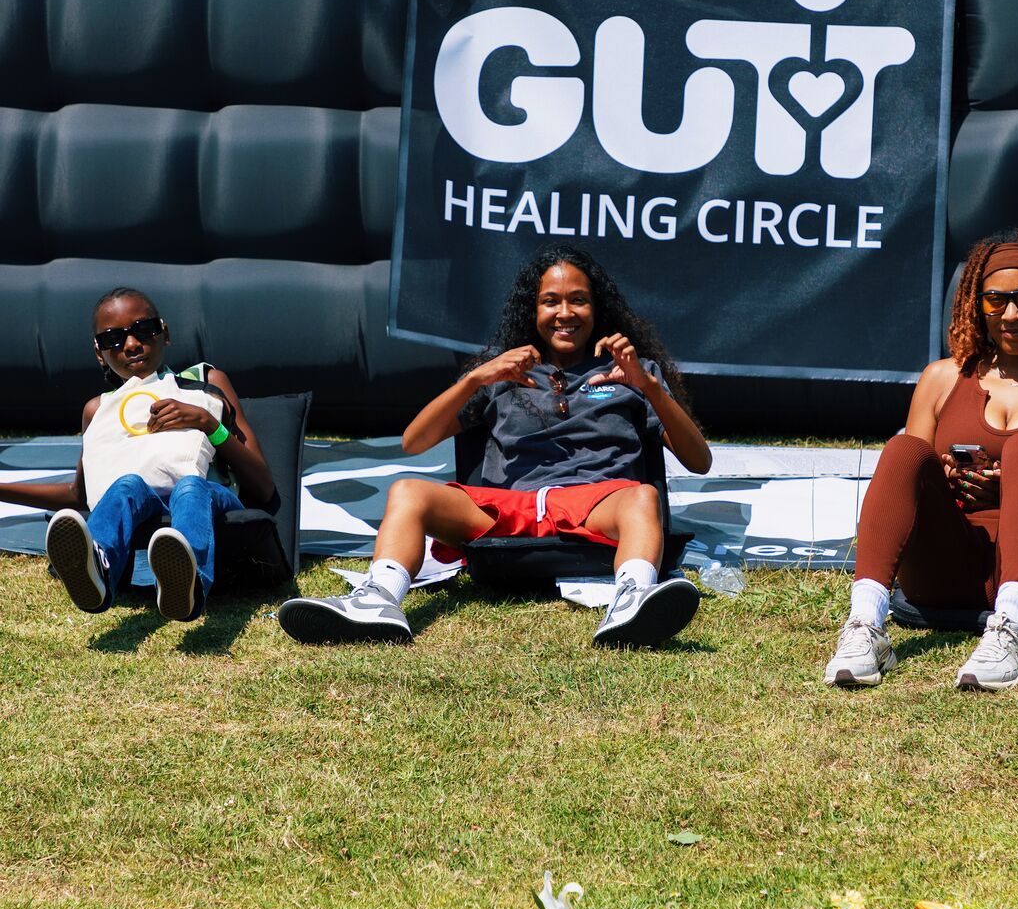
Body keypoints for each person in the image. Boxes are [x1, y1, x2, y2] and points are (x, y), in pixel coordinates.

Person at [279, 248, 712, 648]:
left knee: (642, 496)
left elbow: (699, 460)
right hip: (507, 508)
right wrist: (476, 379)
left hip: (595, 503)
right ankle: (376, 601)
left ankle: (633, 597)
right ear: (533, 309)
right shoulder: (502, 372)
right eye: (551, 301)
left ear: (597, 310)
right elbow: (414, 441)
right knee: (409, 491)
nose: (565, 313)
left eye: (578, 300)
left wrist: (650, 388)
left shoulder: (632, 373)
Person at [824, 228, 1018, 691]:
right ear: (978, 304)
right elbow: (909, 481)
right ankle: (865, 626)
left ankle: (1012, 632)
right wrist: (944, 480)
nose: (1010, 314)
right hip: (950, 570)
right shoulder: (942, 378)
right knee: (905, 450)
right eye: (996, 301)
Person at [4, 288, 274, 622]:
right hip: (144, 505)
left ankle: (190, 584)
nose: (131, 344)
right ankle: (99, 568)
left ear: (165, 333)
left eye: (143, 329)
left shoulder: (205, 382)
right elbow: (81, 495)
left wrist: (207, 423)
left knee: (190, 487)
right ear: (99, 353)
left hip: (210, 499)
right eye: (113, 338)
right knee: (126, 484)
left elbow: (263, 489)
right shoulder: (97, 410)